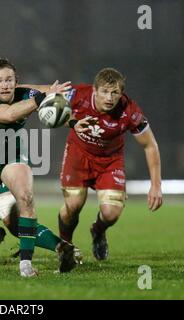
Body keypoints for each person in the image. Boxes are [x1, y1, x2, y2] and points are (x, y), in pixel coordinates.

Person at [0, 58, 78, 277]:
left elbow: (51, 107)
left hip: (11, 158)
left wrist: (72, 121)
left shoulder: (25, 94)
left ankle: (25, 264)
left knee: (25, 198)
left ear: (16, 82)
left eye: (9, 80)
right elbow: (9, 114)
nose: (5, 85)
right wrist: (45, 96)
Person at [58, 67, 163, 260]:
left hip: (110, 161)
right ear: (94, 90)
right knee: (73, 205)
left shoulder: (129, 110)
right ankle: (66, 247)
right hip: (78, 156)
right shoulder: (77, 94)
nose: (109, 98)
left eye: (115, 92)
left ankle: (98, 231)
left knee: (111, 213)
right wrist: (70, 122)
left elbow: (150, 145)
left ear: (121, 93)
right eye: (105, 92)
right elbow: (53, 110)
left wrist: (156, 186)